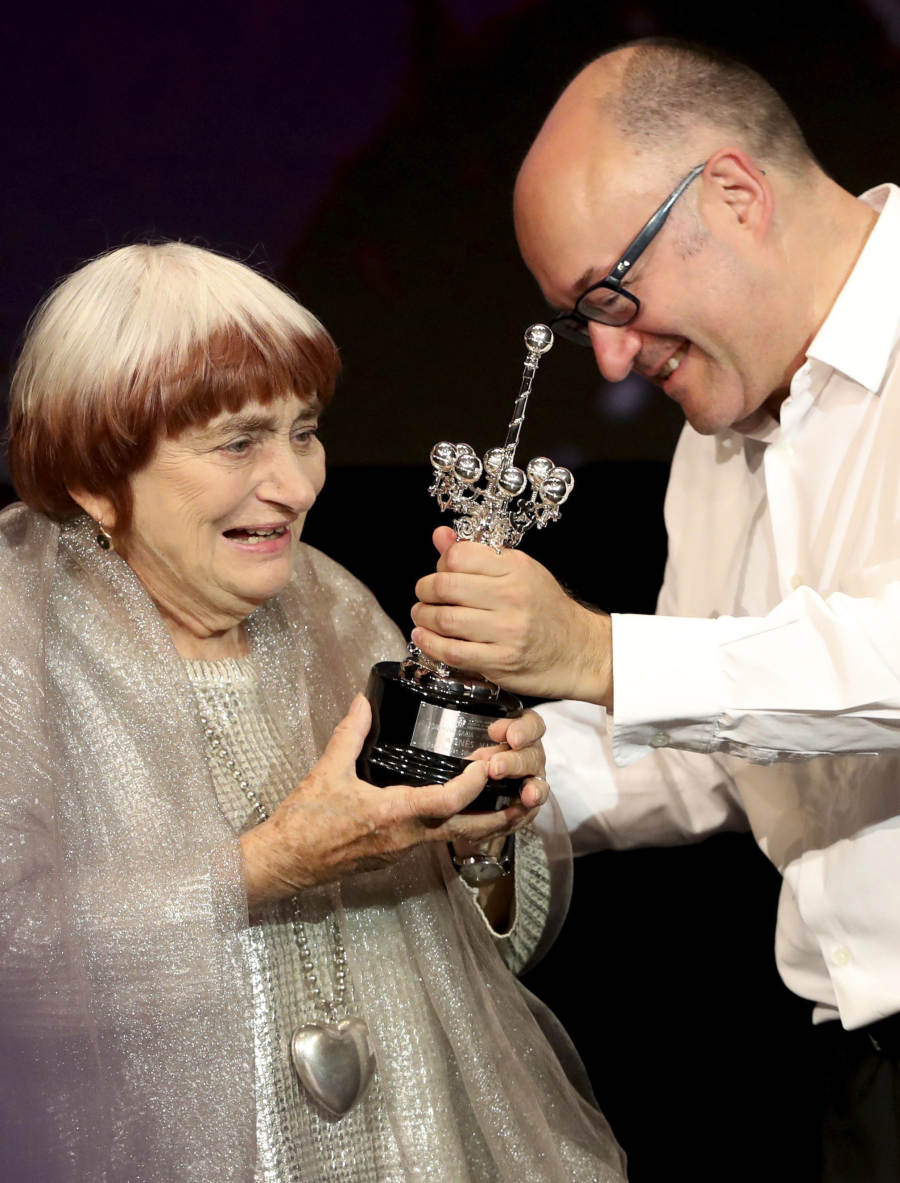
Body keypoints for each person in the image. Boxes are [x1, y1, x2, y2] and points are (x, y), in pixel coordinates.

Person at [0, 241, 626, 1182]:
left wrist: (483, 832)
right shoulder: (20, 648)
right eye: (239, 441)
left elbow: (486, 965)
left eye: (305, 430)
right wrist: (272, 863)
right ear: (96, 471)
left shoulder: (335, 608)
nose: (297, 484)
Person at [411, 37, 900, 1179]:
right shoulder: (717, 440)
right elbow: (711, 751)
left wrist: (589, 648)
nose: (619, 361)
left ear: (733, 193)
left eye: (611, 297)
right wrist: (499, 779)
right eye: (585, 321)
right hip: (863, 1074)